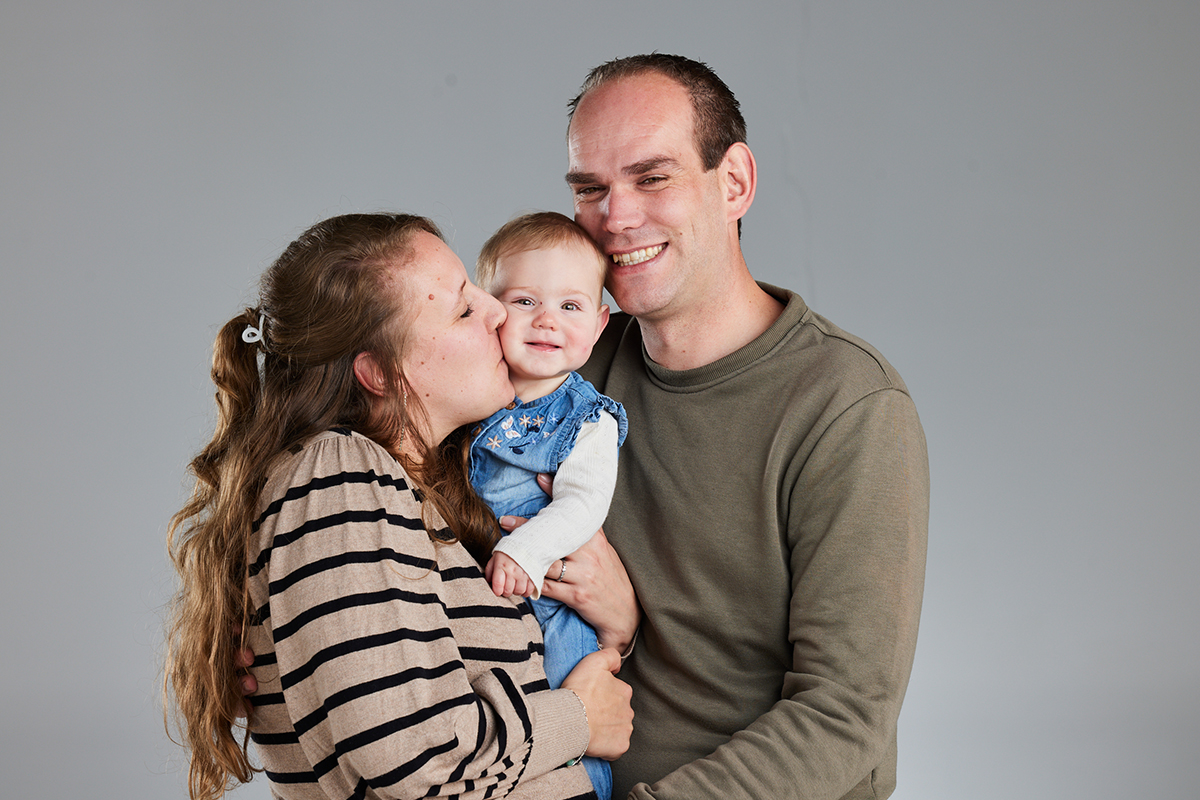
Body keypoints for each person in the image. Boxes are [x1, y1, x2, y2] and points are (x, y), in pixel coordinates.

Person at [540, 54, 930, 799]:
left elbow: (844, 713)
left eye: (652, 178)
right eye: (590, 189)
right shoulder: (566, 369)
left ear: (735, 183)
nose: (615, 218)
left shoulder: (847, 405)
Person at [164, 212, 633, 800]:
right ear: (381, 373)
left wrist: (617, 623)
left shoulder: (426, 490)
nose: (496, 310)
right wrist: (579, 718)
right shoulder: (338, 474)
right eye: (463, 309)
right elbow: (414, 766)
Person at [472, 211, 629, 800]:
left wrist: (526, 549)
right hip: (483, 597)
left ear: (598, 323)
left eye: (570, 306)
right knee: (496, 732)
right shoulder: (470, 396)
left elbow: (584, 505)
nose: (546, 320)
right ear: (489, 310)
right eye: (524, 301)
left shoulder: (585, 419)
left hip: (552, 602)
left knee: (570, 716)